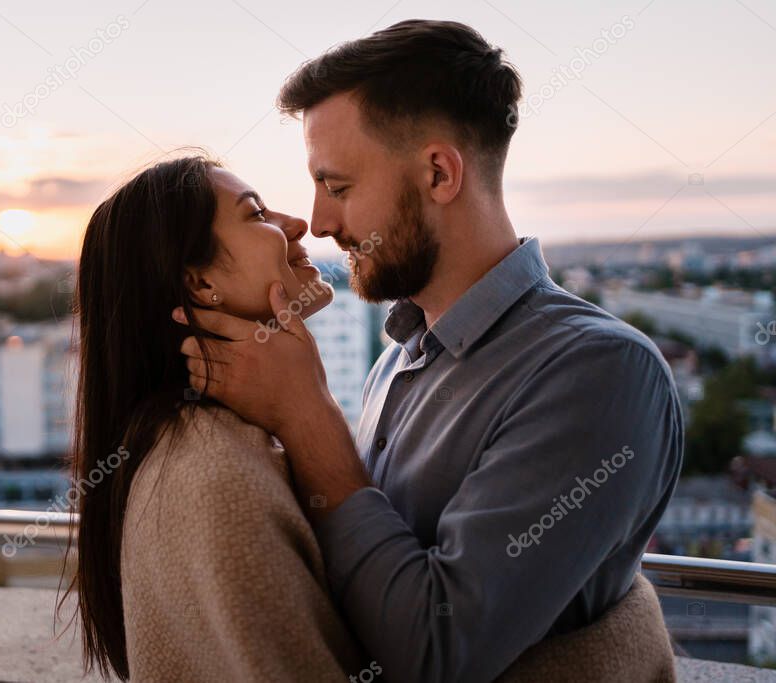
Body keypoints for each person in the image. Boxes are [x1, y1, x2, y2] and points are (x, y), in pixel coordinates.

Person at [175, 19, 683, 682]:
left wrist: (306, 415)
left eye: (339, 186)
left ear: (440, 172)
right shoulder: (397, 362)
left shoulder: (602, 372)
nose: (321, 222)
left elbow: (435, 653)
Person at [63, 154, 366, 682]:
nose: (298, 224)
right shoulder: (218, 475)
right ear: (201, 286)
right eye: (257, 215)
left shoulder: (197, 444)